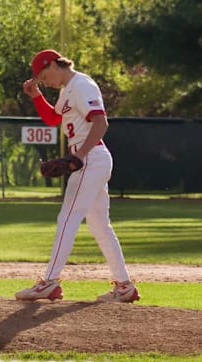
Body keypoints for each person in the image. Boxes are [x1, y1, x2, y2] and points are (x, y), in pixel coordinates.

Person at [15, 49, 140, 303]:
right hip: (90, 157)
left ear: (53, 65)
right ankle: (124, 286)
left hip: (90, 157)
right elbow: (53, 118)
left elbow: (101, 123)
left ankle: (49, 282)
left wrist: (79, 155)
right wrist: (37, 96)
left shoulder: (82, 85)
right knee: (99, 225)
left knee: (68, 217)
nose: (44, 82)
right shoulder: (67, 90)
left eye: (43, 76)